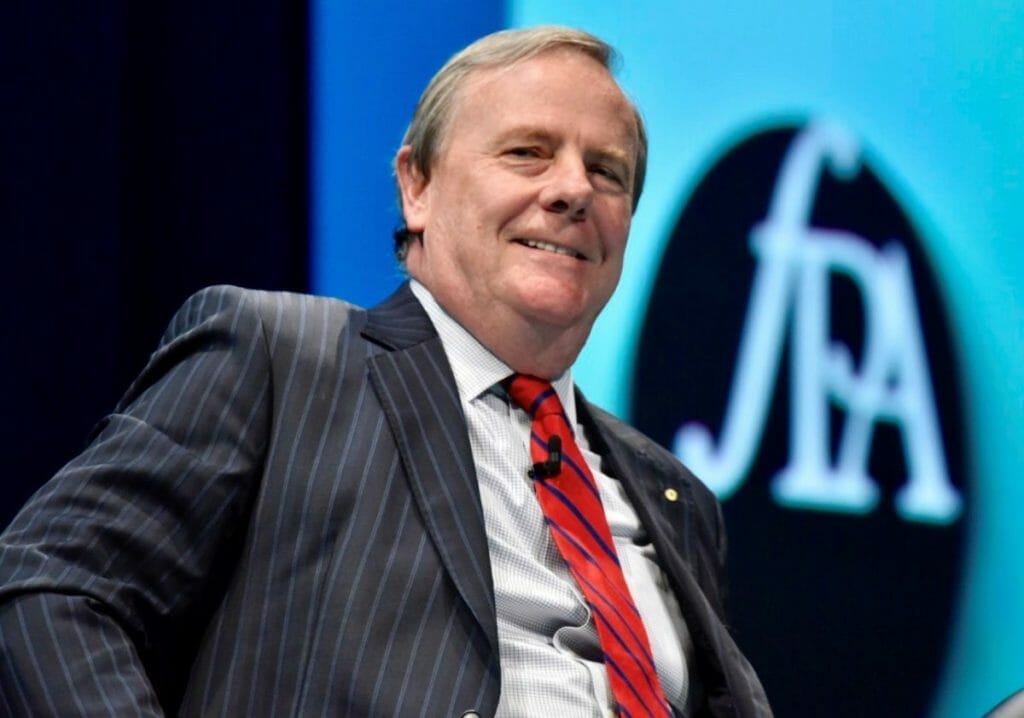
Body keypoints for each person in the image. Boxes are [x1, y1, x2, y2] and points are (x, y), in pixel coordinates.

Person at [0, 26, 770, 717]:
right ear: (417, 186)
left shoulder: (675, 498)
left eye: (607, 171)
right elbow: (47, 586)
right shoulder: (283, 359)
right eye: (527, 153)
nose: (574, 190)